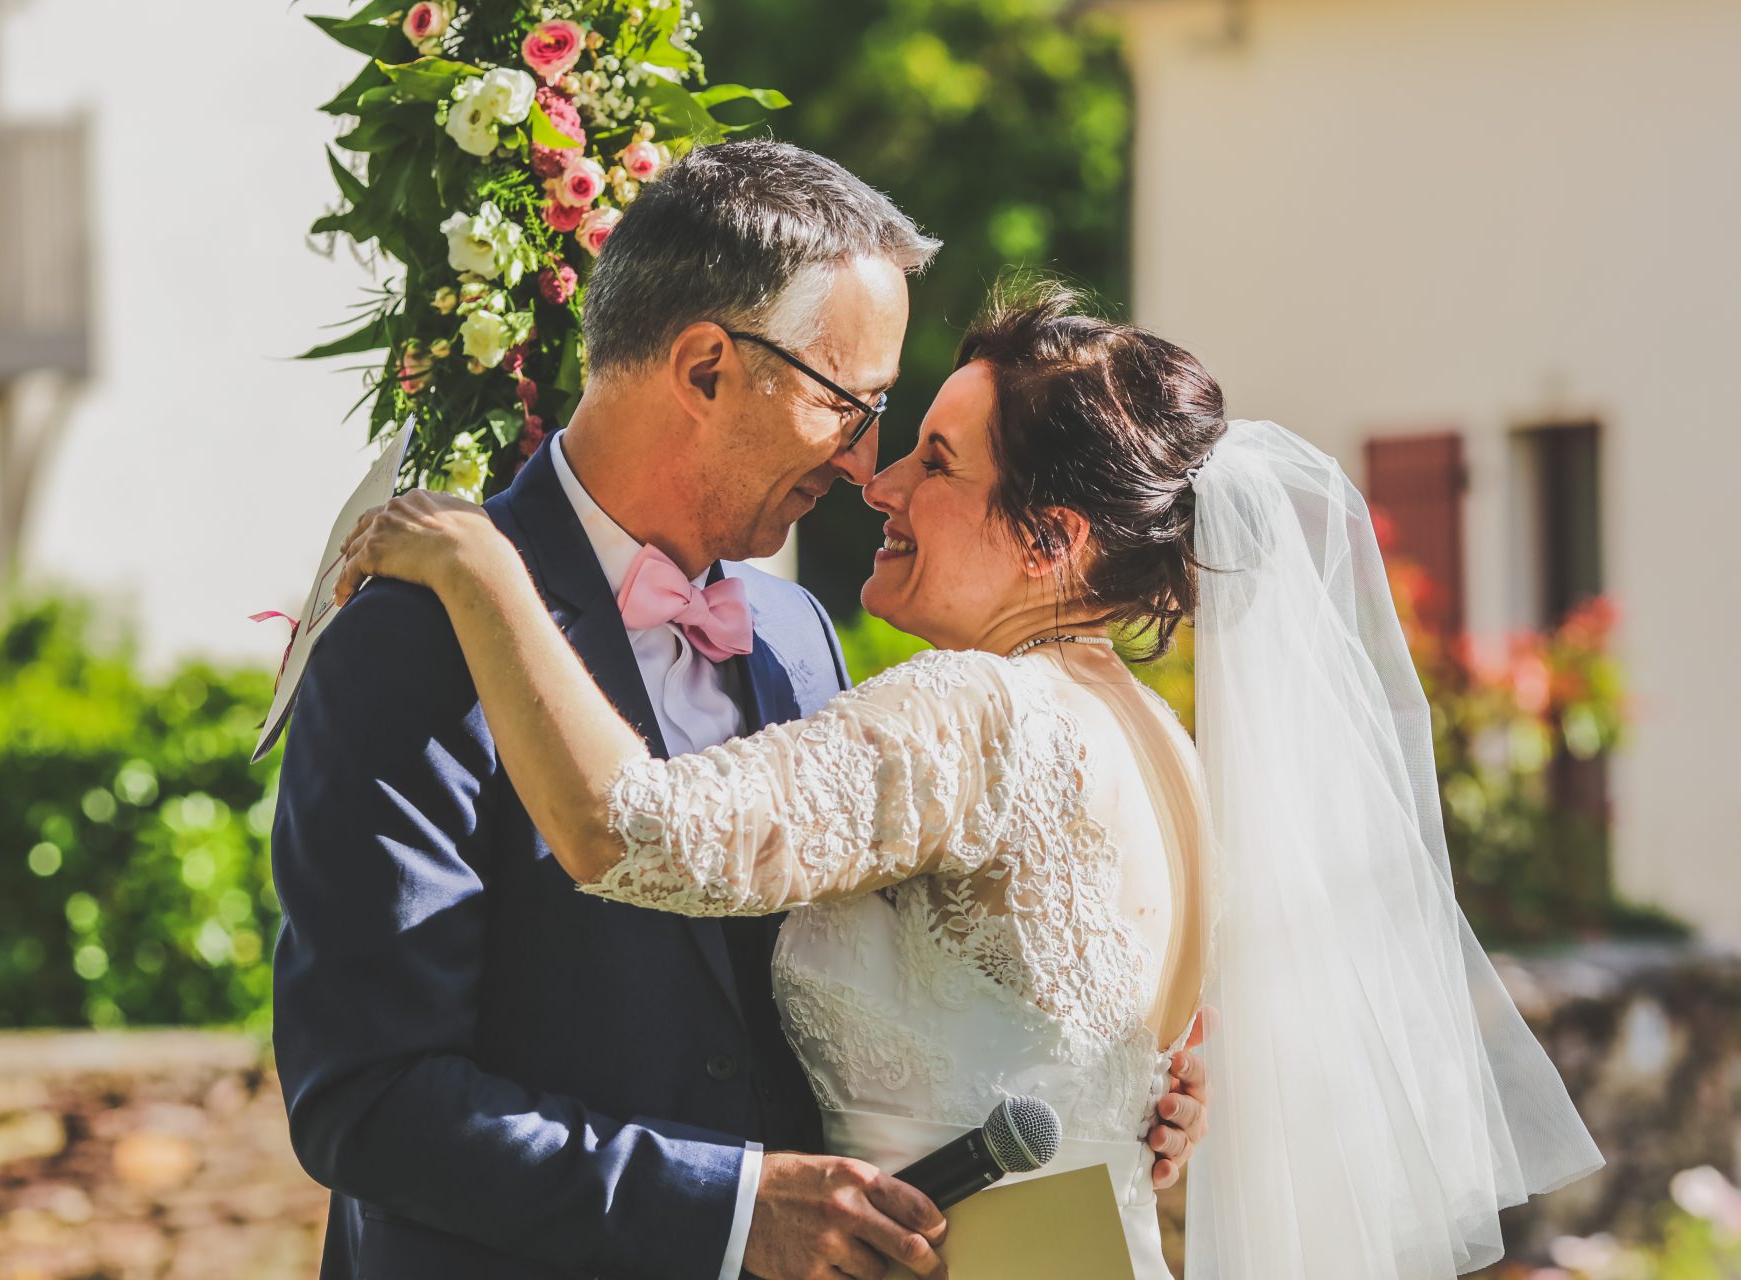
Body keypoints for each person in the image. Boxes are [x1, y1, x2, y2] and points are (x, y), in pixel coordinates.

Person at [331, 279, 1606, 1278]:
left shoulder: (981, 709)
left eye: (936, 461)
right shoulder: (1162, 744)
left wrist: (482, 564)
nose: (878, 482)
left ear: (1051, 538)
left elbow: (631, 829)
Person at [268, 142, 1207, 1280]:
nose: (869, 464)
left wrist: (1119, 1075)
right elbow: (366, 1102)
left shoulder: (800, 634)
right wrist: (727, 1208)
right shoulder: (412, 637)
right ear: (709, 367)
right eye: (850, 402)